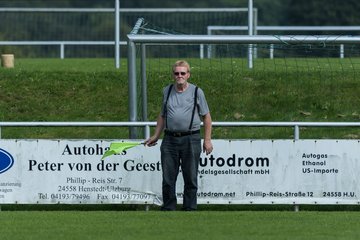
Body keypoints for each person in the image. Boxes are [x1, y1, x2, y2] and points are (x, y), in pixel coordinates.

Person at [145, 60, 213, 211]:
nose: (180, 76)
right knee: (168, 177)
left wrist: (207, 140)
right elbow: (162, 115)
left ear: (188, 74)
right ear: (173, 75)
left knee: (190, 177)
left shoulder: (197, 92)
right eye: (177, 73)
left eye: (183, 73)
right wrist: (156, 135)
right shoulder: (167, 91)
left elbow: (206, 117)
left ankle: (190, 208)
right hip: (169, 139)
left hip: (191, 138)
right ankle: (169, 207)